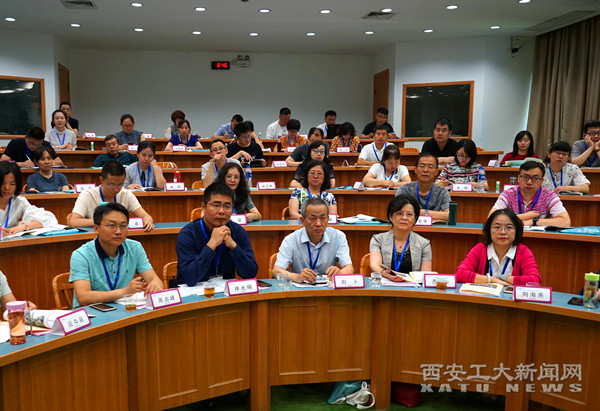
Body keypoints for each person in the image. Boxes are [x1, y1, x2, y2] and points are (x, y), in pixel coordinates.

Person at [69, 203, 163, 308]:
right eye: (111, 225)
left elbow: (155, 279)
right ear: (96, 228)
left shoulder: (135, 247)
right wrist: (124, 292)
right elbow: (83, 297)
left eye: (123, 226)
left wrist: (156, 286)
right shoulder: (81, 255)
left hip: (123, 310)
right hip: (92, 312)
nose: (118, 231)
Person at [176, 183, 258, 285]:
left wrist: (233, 246)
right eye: (216, 205)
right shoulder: (188, 234)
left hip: (225, 292)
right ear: (203, 207)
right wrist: (212, 244)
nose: (221, 211)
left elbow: (250, 273)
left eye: (227, 206)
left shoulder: (238, 231)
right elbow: (190, 278)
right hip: (193, 292)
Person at [272, 197, 354, 283]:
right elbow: (276, 271)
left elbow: (349, 268)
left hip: (327, 288)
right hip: (301, 288)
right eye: (312, 218)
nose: (318, 223)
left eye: (323, 218)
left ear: (328, 219)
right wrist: (296, 277)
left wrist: (340, 273)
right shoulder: (291, 240)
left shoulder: (338, 237)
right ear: (302, 221)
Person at [456, 209, 541, 286]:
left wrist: (505, 278)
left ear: (517, 230)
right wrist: (492, 279)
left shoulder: (523, 251)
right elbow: (460, 274)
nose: (503, 232)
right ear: (489, 230)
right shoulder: (480, 249)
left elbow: (534, 280)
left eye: (509, 227)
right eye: (497, 227)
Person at [70, 161, 155, 231]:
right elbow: (74, 222)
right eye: (112, 185)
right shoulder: (87, 195)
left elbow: (146, 216)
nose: (116, 189)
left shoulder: (126, 194)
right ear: (101, 180)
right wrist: (103, 222)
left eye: (120, 185)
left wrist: (148, 221)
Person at [489, 161, 571, 227]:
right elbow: (491, 218)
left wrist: (533, 222)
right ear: (519, 178)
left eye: (535, 178)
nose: (529, 182)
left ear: (541, 181)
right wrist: (525, 216)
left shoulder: (549, 196)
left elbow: (565, 222)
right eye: (525, 177)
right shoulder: (508, 194)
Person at [370, 195, 432, 279]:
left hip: (413, 286)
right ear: (391, 217)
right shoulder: (378, 240)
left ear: (415, 219)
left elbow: (425, 274)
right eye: (399, 213)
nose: (404, 218)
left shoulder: (424, 244)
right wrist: (385, 273)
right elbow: (375, 265)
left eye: (409, 214)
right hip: (385, 283)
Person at [0, 162, 58, 236]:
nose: (7, 188)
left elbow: (48, 218)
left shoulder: (19, 201)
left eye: (12, 184)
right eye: (3, 183)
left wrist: (23, 226)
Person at [395, 153, 450, 221]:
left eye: (430, 167)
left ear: (436, 172)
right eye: (422, 166)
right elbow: (396, 213)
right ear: (415, 170)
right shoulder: (404, 190)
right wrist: (436, 215)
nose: (425, 170)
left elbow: (449, 215)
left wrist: (424, 212)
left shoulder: (442, 192)